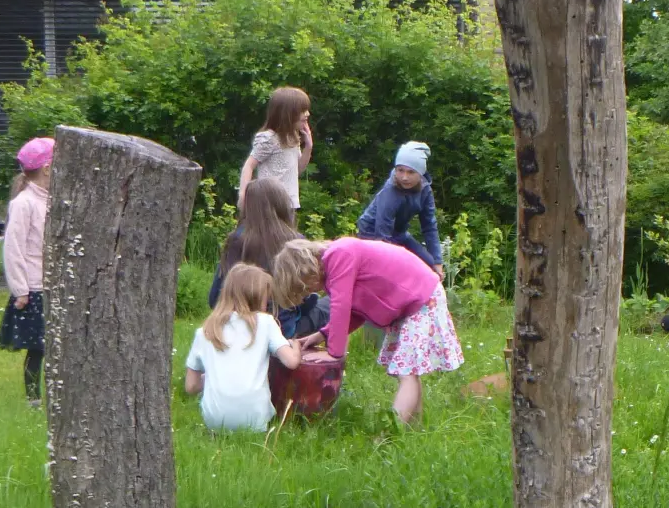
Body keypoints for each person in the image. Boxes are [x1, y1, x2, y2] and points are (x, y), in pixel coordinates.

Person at [274, 237, 463, 424]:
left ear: (306, 270)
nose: (311, 291)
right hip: (412, 299)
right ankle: (416, 428)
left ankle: (391, 433)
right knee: (408, 371)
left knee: (406, 373)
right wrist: (321, 335)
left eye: (306, 286)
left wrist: (334, 353)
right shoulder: (337, 261)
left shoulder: (339, 255)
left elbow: (341, 306)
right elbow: (356, 311)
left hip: (421, 296)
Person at [185, 263, 303, 432]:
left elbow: (191, 387)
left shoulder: (204, 331)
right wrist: (296, 347)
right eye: (266, 299)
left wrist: (212, 376)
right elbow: (291, 361)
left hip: (214, 422)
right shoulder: (265, 323)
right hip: (256, 421)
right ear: (256, 297)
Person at [208, 178, 329, 338]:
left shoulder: (236, 240)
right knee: (334, 302)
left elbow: (215, 298)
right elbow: (305, 296)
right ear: (282, 205)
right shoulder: (296, 242)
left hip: (240, 330)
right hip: (286, 329)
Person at [0, 137, 55, 406]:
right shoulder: (24, 202)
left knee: (58, 348)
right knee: (37, 349)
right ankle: (33, 401)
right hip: (33, 288)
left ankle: (58, 400)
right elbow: (13, 248)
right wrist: (20, 289)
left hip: (54, 285)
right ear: (46, 168)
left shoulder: (51, 199)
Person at [355, 140, 443, 277]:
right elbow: (382, 233)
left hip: (399, 234)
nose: (404, 177)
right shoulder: (391, 191)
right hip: (372, 235)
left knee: (430, 267)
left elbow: (429, 226)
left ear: (420, 173)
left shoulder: (425, 190)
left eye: (411, 172)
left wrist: (437, 261)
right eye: (400, 170)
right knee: (396, 272)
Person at [238, 86, 312, 210]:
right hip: (269, 205)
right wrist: (243, 195)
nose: (307, 114)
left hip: (289, 204)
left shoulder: (292, 138)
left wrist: (308, 146)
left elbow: (297, 170)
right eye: (302, 110)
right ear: (288, 114)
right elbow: (249, 165)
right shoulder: (268, 138)